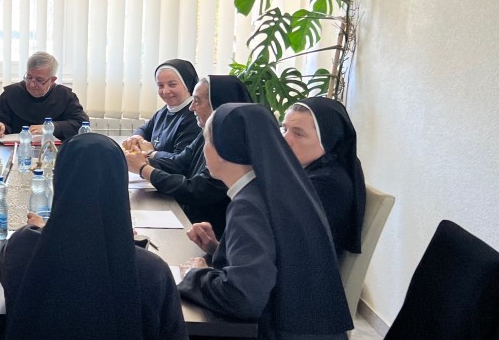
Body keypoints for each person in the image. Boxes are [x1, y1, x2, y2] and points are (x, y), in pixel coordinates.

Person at [177, 103, 355, 340]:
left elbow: (244, 297)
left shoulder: (250, 202)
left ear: (224, 149)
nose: (203, 149)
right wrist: (218, 253)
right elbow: (276, 267)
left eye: (206, 140)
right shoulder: (283, 191)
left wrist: (193, 277)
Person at [0, 133, 199, 340]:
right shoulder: (152, 271)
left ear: (59, 182)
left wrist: (47, 229)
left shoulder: (21, 247)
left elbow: (13, 275)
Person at [125, 75, 252, 237]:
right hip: (193, 225)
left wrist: (144, 169)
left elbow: (195, 190)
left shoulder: (233, 146)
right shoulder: (207, 132)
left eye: (197, 101)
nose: (191, 107)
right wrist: (142, 160)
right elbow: (179, 163)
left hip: (210, 232)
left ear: (218, 104)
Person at [281, 97, 367, 256]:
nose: (285, 139)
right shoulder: (310, 168)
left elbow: (282, 235)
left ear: (328, 141)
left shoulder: (327, 183)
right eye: (284, 129)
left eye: (298, 133)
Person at [0, 51, 88, 141]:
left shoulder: (65, 96)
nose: (31, 84)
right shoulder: (11, 94)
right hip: (16, 150)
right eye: (29, 77)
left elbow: (81, 123)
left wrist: (49, 128)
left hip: (54, 151)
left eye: (39, 80)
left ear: (52, 80)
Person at [122, 58, 201, 160]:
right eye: (160, 85)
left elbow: (181, 160)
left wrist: (151, 153)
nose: (165, 91)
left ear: (187, 84)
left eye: (172, 84)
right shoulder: (165, 111)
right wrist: (136, 138)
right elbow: (144, 129)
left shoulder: (195, 116)